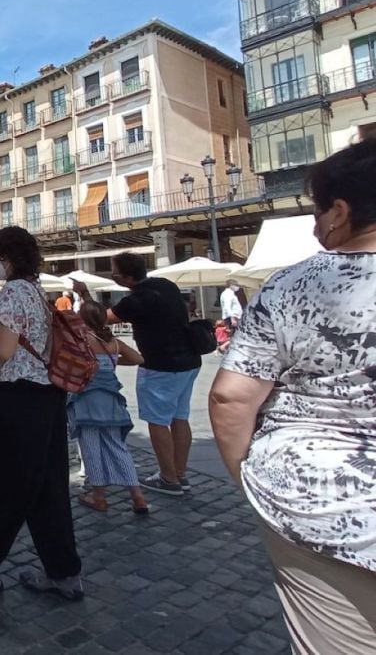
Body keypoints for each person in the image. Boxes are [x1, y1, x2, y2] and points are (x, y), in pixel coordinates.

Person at [210, 139, 376, 655]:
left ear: (341, 212)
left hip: (320, 498)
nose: (313, 225)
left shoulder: (290, 287)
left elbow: (231, 399)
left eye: (316, 211)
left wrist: (248, 475)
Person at [0, 227, 83, 601]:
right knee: (49, 488)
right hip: (47, 398)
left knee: (1, 485)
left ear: (7, 257)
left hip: (13, 399)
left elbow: (3, 350)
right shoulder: (38, 291)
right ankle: (64, 572)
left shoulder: (13, 292)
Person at [74, 251, 202, 497]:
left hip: (160, 365)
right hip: (189, 360)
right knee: (179, 417)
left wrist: (84, 294)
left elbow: (99, 319)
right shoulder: (165, 285)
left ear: (123, 276)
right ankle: (180, 474)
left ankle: (168, 477)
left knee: (157, 421)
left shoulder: (138, 299)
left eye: (114, 271)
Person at [70, 301, 149, 514]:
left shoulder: (82, 341)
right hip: (112, 402)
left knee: (91, 449)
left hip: (87, 401)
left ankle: (99, 497)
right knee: (118, 447)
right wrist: (112, 360)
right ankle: (138, 496)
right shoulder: (113, 342)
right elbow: (138, 358)